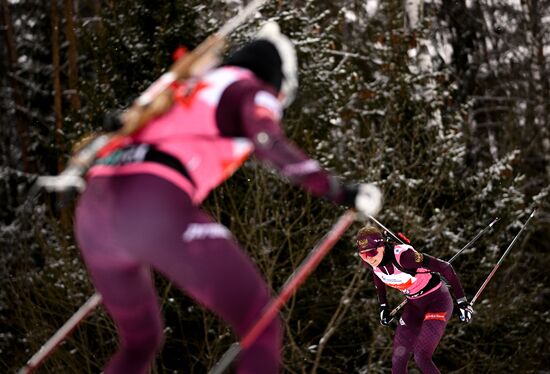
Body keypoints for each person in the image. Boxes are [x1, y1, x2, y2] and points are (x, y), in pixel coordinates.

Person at [74, 21, 383, 374]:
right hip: (149, 206)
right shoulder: (248, 89)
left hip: (94, 216)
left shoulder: (184, 87)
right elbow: (269, 142)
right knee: (260, 323)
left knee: (140, 342)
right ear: (277, 81)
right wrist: (339, 190)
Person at [356, 225, 474, 374]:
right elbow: (378, 278)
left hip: (438, 302)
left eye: (372, 252)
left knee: (421, 356)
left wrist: (462, 301)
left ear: (382, 246)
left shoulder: (405, 258)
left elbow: (445, 267)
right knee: (398, 358)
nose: (369, 258)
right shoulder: (372, 262)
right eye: (363, 255)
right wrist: (383, 306)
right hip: (414, 305)